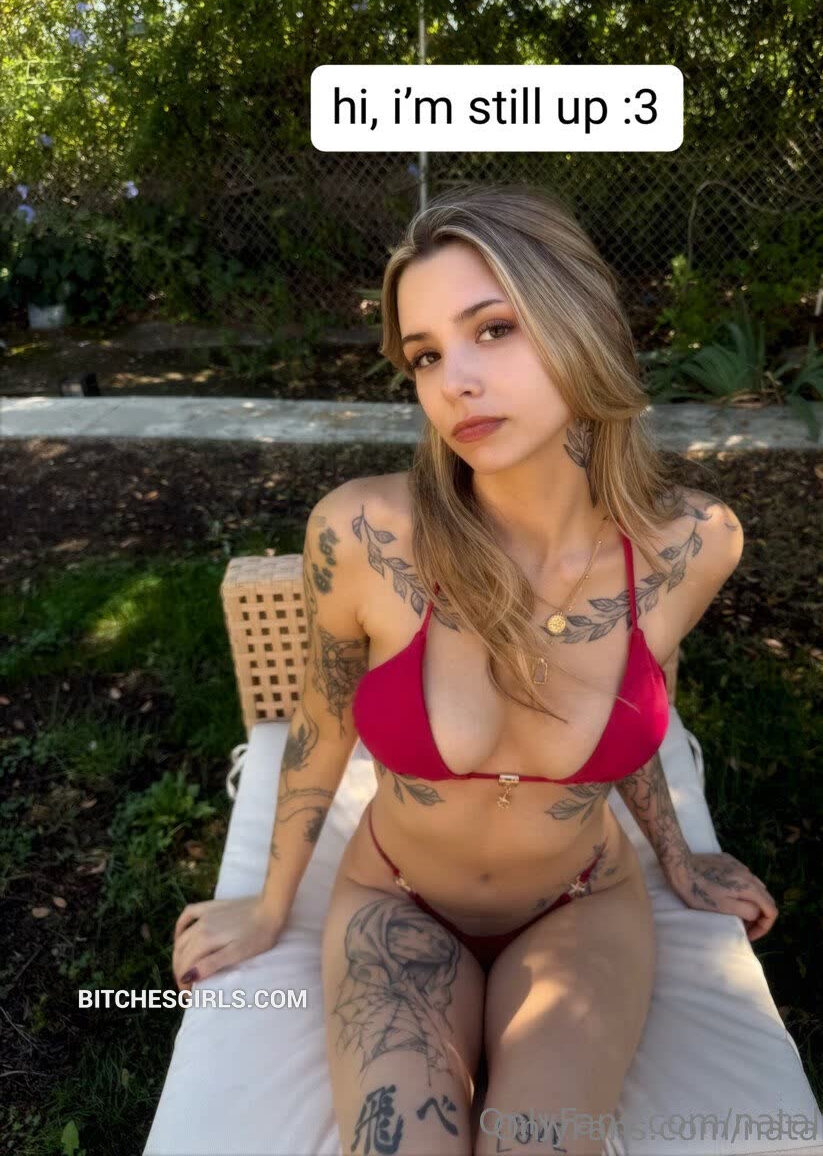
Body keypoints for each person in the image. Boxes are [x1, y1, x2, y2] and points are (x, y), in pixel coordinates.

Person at [171, 182, 778, 1155]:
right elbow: (322, 722)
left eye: (493, 329)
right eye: (425, 354)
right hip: (396, 899)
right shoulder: (363, 533)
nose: (454, 379)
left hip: (581, 908)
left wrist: (677, 851)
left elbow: (638, 704)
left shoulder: (693, 544)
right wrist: (271, 903)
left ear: (581, 325)